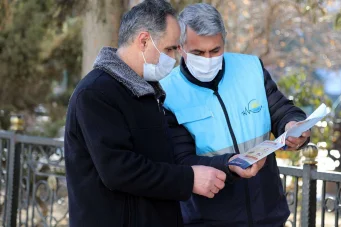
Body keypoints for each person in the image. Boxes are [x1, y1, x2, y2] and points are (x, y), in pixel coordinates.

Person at [64, 1, 226, 227]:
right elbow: (119, 170)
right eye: (170, 48)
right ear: (143, 41)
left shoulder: (146, 89)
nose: (175, 56)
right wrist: (188, 179)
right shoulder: (96, 93)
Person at [160, 3, 311, 226]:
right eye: (198, 53)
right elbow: (181, 160)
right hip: (209, 217)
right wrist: (228, 165)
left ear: (224, 41)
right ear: (180, 47)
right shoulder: (166, 91)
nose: (208, 58)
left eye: (215, 50)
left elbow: (280, 109)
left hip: (269, 212)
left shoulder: (251, 68)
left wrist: (293, 125)